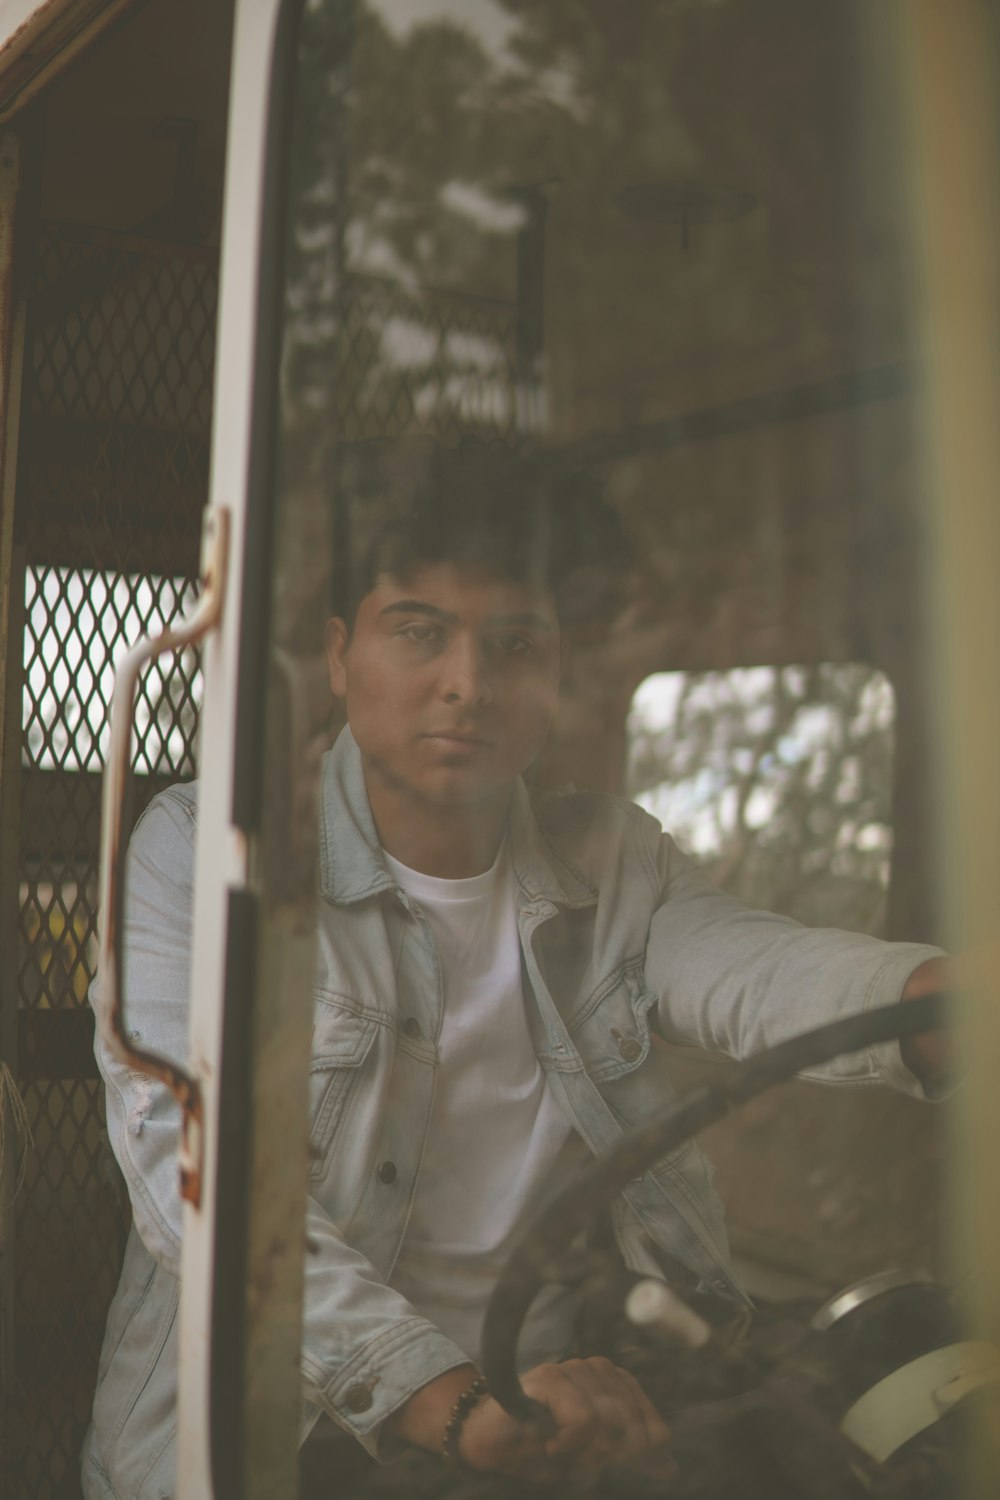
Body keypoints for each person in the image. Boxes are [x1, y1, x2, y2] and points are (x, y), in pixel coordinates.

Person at [82, 439, 949, 1500]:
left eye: (515, 644)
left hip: (559, 1413)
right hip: (300, 1439)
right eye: (421, 633)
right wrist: (449, 1405)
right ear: (342, 653)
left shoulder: (612, 860)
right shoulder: (211, 852)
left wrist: (929, 1002)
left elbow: (758, 970)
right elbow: (192, 1167)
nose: (468, 685)